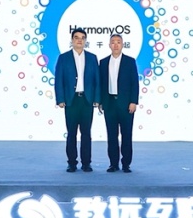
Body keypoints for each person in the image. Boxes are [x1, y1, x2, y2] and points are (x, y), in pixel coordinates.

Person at [53, 28, 100, 172]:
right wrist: (60, 99)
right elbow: (59, 80)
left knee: (86, 133)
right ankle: (72, 163)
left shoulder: (92, 58)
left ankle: (86, 163)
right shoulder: (63, 58)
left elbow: (97, 80)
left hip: (87, 100)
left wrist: (97, 99)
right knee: (71, 133)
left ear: (85, 41)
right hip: (71, 101)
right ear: (72, 40)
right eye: (76, 37)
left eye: (82, 38)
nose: (79, 40)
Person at [98, 33, 139, 173]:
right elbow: (101, 84)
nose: (116, 44)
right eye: (113, 42)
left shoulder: (130, 61)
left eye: (118, 42)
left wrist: (133, 101)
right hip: (109, 103)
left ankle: (126, 164)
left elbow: (134, 83)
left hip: (126, 104)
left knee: (126, 135)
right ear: (109, 45)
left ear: (123, 44)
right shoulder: (103, 62)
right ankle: (113, 164)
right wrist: (101, 101)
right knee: (111, 136)